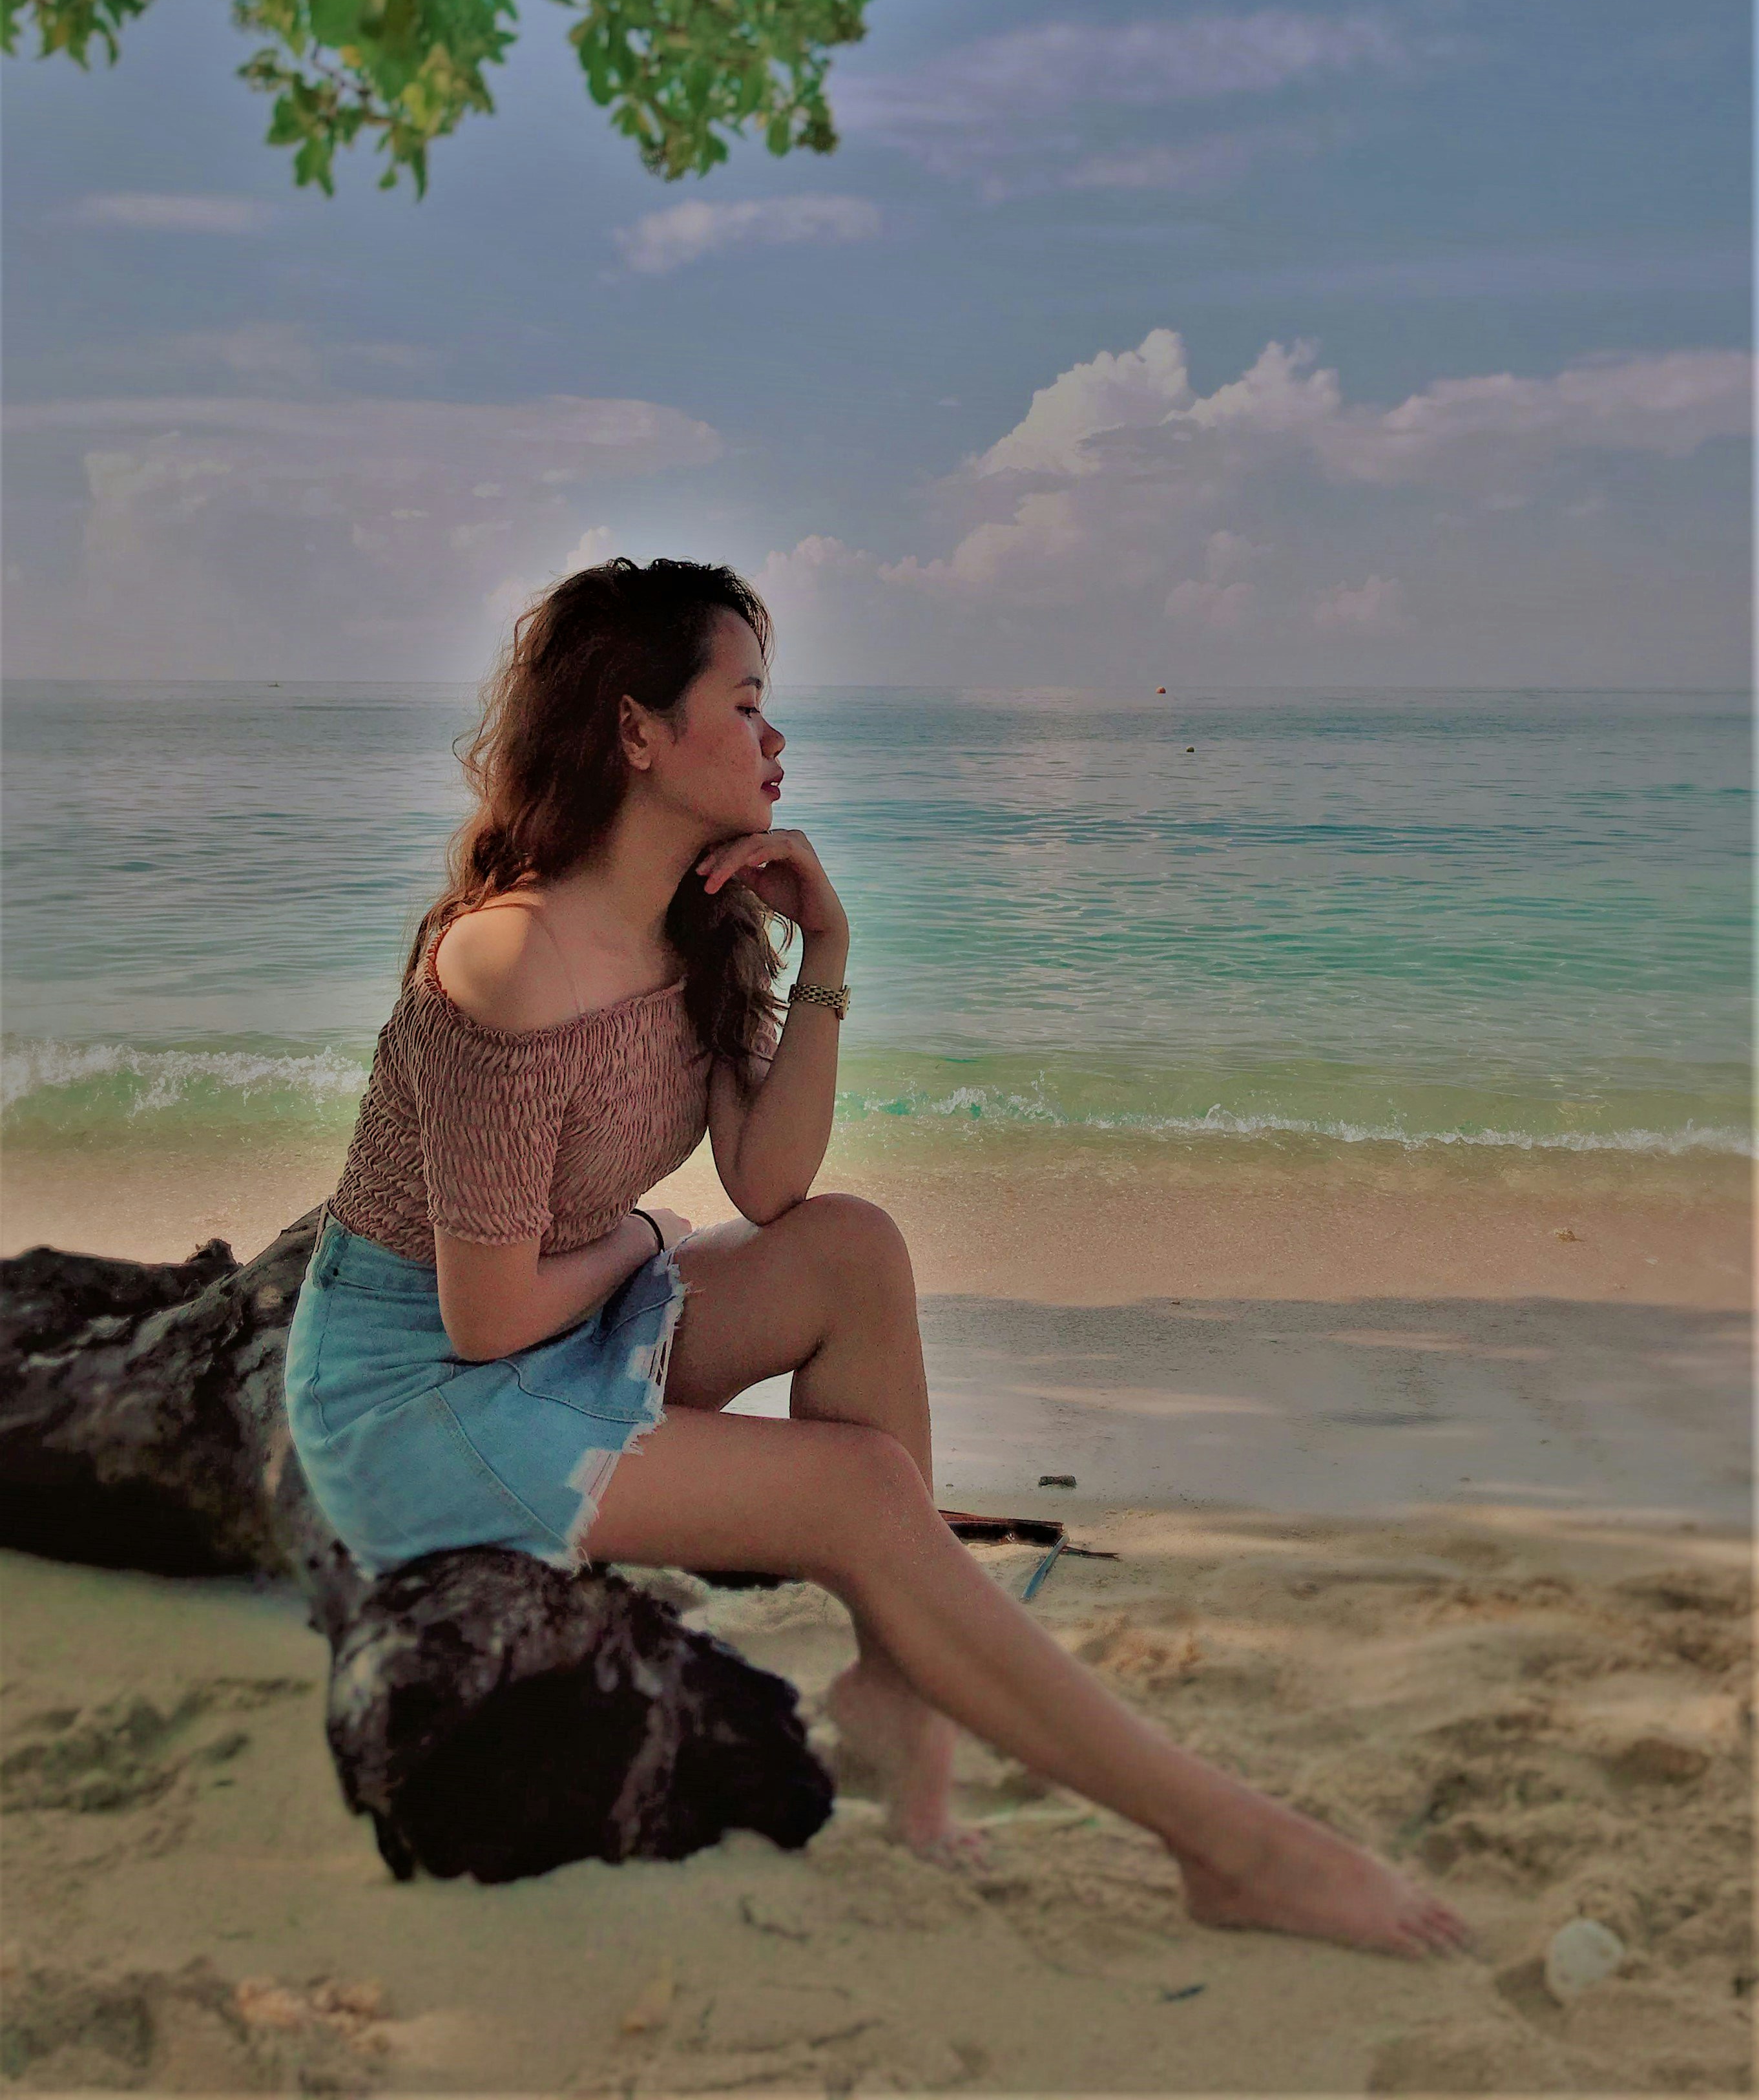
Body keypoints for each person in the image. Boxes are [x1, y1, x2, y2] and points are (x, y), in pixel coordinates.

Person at [286, 556, 1467, 1959]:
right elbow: (484, 1324)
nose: (777, 741)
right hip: (416, 1395)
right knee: (856, 1491)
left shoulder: (694, 923)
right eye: (745, 703)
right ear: (635, 731)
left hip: (548, 1330)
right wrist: (650, 1236)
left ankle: (904, 1728)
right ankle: (1233, 1846)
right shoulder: (512, 958)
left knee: (856, 1248)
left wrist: (827, 944)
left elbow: (776, 1186)